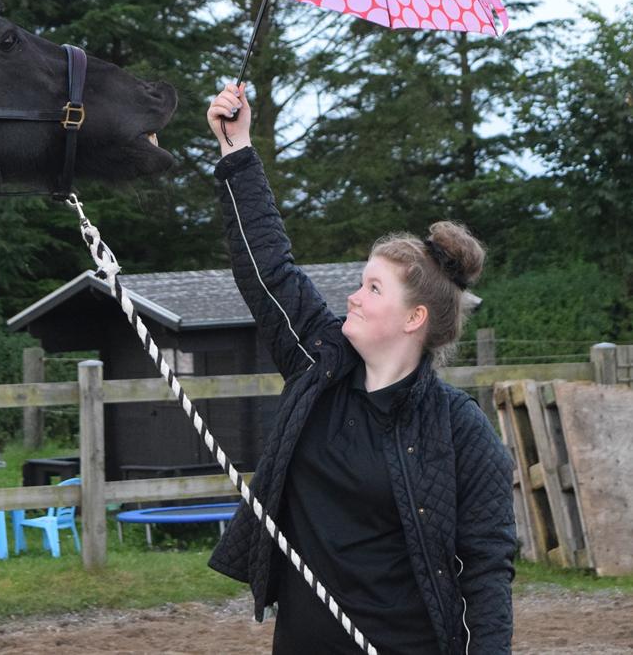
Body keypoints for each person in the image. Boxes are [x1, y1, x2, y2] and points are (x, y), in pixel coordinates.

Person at [205, 83, 516, 655]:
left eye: (373, 288)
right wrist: (236, 149)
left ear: (414, 318)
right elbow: (269, 268)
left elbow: (486, 569)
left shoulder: (460, 430)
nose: (352, 296)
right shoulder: (317, 365)